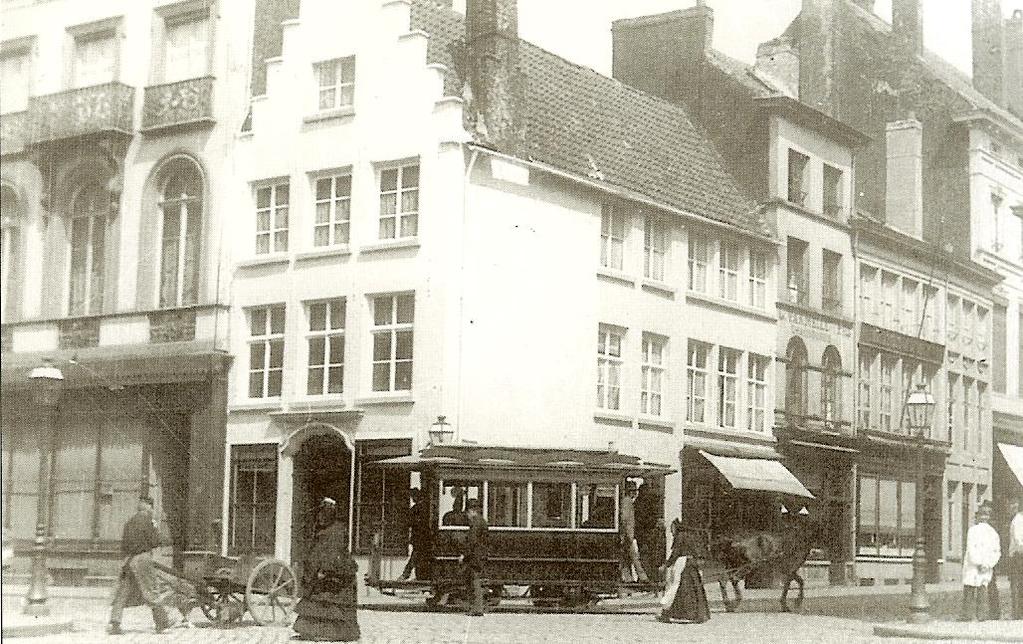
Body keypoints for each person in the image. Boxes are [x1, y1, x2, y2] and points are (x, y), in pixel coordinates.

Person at [109, 496, 180, 635]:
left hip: (128, 560)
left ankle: (114, 624)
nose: (152, 510)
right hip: (142, 559)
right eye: (151, 507)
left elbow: (123, 545)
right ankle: (162, 623)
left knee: (123, 592)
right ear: (148, 507)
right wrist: (170, 541)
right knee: (151, 590)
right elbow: (154, 541)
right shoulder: (148, 521)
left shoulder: (129, 522)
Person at [293, 498, 360, 641]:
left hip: (332, 570)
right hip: (323, 568)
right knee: (321, 598)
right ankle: (314, 630)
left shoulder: (335, 530)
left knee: (329, 598)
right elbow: (319, 551)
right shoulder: (326, 530)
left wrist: (326, 569)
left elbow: (335, 552)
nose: (321, 516)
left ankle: (332, 632)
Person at [657, 518, 710, 624]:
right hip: (691, 564)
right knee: (694, 589)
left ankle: (668, 613)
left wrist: (666, 565)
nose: (671, 531)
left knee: (675, 588)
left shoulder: (680, 536)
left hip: (682, 563)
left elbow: (676, 553)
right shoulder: (690, 536)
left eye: (672, 528)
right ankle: (698, 615)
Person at [960, 502, 1002, 622]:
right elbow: (996, 552)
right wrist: (986, 564)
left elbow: (971, 549)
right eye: (983, 514)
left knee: (974, 589)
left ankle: (971, 615)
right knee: (979, 588)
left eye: (986, 514)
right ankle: (977, 615)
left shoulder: (976, 531)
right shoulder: (991, 533)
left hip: (976, 565)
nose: (984, 517)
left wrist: (982, 563)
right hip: (981, 566)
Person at [462, 498, 488, 616]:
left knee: (474, 582)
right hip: (479, 556)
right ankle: (476, 607)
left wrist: (464, 555)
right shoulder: (481, 521)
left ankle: (477, 608)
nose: (467, 516)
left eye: (467, 513)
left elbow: (472, 541)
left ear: (472, 511)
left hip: (475, 557)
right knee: (474, 581)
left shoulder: (476, 523)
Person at [398, 488, 432, 581]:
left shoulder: (416, 509)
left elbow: (408, 522)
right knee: (419, 557)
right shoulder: (427, 507)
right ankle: (419, 576)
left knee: (416, 556)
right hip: (425, 537)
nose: (412, 499)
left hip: (419, 537)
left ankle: (406, 574)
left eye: (413, 496)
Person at [619, 480, 649, 583]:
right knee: (634, 557)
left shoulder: (628, 501)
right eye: (633, 491)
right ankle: (642, 577)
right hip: (628, 535)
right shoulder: (627, 501)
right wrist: (628, 535)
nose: (635, 493)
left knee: (626, 558)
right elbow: (625, 518)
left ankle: (629, 578)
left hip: (627, 534)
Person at [1009, 497, 1023, 620]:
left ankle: (1017, 613)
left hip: (1018, 556)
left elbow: (1018, 541)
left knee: (1016, 584)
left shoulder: (1017, 520)